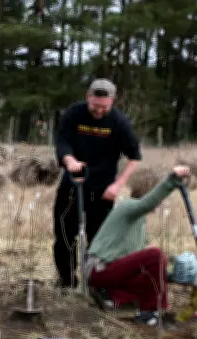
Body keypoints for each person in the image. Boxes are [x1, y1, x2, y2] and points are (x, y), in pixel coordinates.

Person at [53, 78, 142, 289]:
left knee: (98, 238)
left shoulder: (119, 123)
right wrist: (69, 160)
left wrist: (118, 185)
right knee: (65, 234)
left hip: (103, 189)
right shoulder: (74, 114)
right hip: (72, 184)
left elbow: (134, 157)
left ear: (112, 101)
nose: (99, 111)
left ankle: (93, 281)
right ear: (88, 97)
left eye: (104, 107)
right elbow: (62, 141)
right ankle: (67, 280)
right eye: (95, 105)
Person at [84, 165, 190, 326]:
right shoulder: (128, 207)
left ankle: (111, 295)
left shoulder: (139, 220)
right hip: (99, 269)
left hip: (113, 272)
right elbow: (147, 203)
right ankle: (150, 312)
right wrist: (172, 181)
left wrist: (166, 277)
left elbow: (137, 264)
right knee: (155, 255)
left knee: (151, 266)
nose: (161, 202)